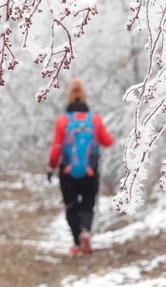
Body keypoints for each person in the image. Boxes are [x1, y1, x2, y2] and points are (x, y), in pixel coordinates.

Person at [47, 78, 114, 255]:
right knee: (87, 205)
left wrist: (51, 167)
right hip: (90, 171)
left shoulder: (63, 121)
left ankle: (77, 241)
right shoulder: (95, 120)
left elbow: (56, 148)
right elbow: (108, 142)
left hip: (67, 172)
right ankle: (86, 230)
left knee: (71, 206)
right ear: (85, 98)